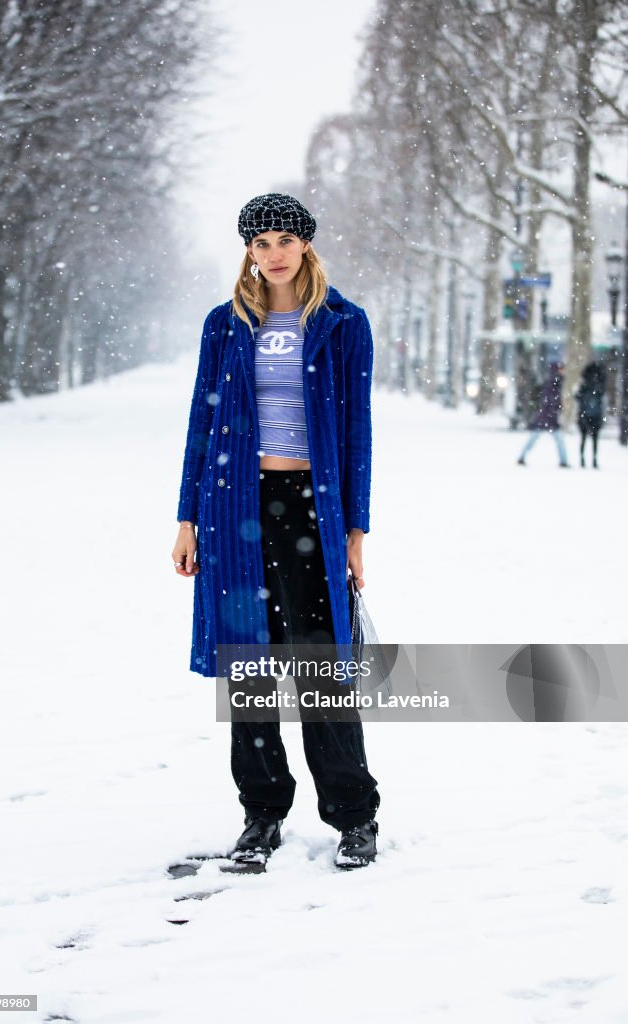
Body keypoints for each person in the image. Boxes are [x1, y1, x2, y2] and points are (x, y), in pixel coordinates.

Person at [172, 193, 381, 869]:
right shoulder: (224, 324)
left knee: (320, 666)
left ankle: (353, 816)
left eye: (284, 239)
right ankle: (261, 814)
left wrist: (354, 528)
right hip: (232, 508)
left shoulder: (342, 324)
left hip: (309, 508)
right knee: (249, 669)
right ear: (248, 251)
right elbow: (201, 426)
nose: (273, 253)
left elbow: (355, 431)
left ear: (306, 244)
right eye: (259, 242)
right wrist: (185, 518)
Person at [517, 362, 570, 467]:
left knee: (535, 438)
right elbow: (550, 402)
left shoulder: (554, 383)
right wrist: (557, 408)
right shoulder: (553, 383)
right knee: (554, 440)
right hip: (547, 418)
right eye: (561, 369)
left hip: (546, 417)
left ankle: (522, 457)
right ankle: (563, 461)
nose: (563, 372)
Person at [575, 361, 606, 469]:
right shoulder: (599, 386)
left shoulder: (585, 385)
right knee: (594, 439)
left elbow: (577, 397)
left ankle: (582, 459)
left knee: (583, 438)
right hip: (595, 415)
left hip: (585, 414)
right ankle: (594, 460)